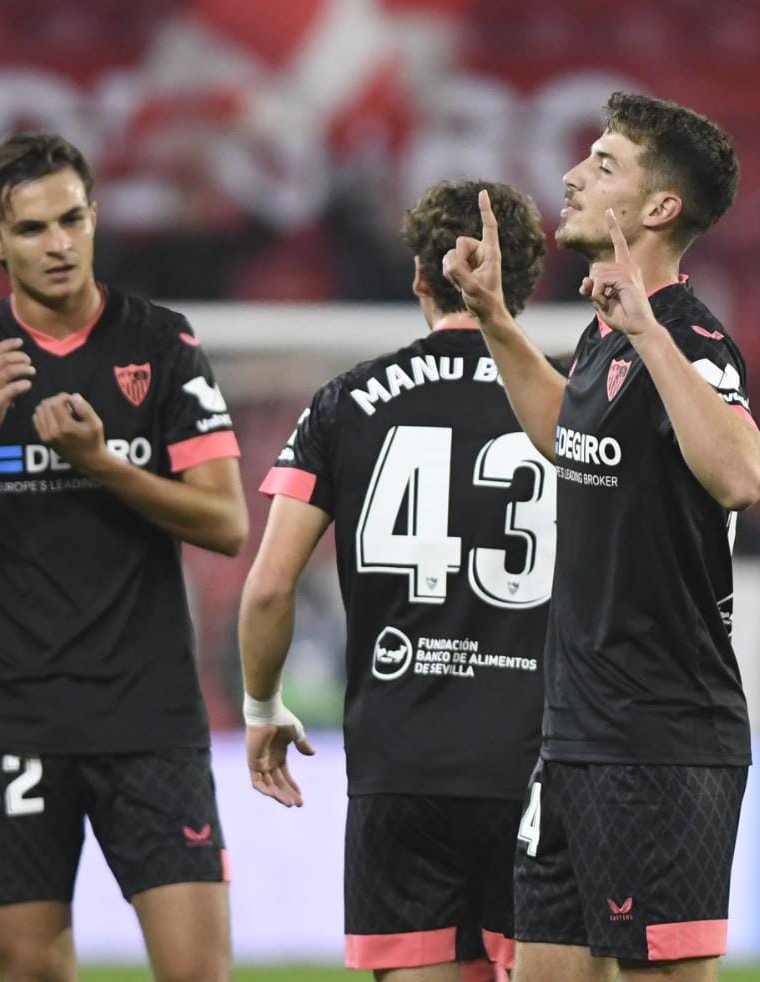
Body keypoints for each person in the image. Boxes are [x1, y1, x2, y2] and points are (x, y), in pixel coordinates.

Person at [0, 132, 246, 982]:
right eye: (33, 228)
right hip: (10, 725)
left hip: (148, 719)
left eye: (72, 219)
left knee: (199, 973)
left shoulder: (162, 344)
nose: (59, 244)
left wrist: (102, 463)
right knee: (31, 972)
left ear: (95, 216)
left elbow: (226, 523)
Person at [443, 91, 760, 982]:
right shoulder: (603, 342)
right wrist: (497, 322)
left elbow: (741, 476)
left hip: (661, 741)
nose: (571, 175)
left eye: (603, 163)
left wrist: (649, 333)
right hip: (576, 735)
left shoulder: (690, 340)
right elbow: (566, 440)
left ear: (658, 209)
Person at [239, 179, 552, 982]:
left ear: (418, 276)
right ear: (524, 284)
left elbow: (271, 587)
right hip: (539, 766)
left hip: (399, 771)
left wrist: (262, 707)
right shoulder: (573, 407)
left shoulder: (344, 403)